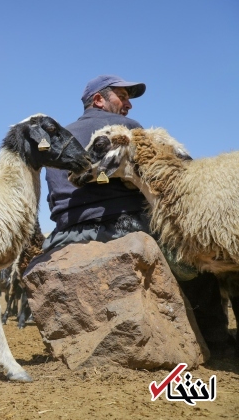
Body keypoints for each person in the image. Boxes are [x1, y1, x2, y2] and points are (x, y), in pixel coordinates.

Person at [38, 74, 234, 357]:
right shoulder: (125, 130)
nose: (128, 105)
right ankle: (216, 342)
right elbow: (162, 178)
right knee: (198, 265)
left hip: (66, 232)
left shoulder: (58, 139)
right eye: (123, 96)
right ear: (98, 100)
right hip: (125, 225)